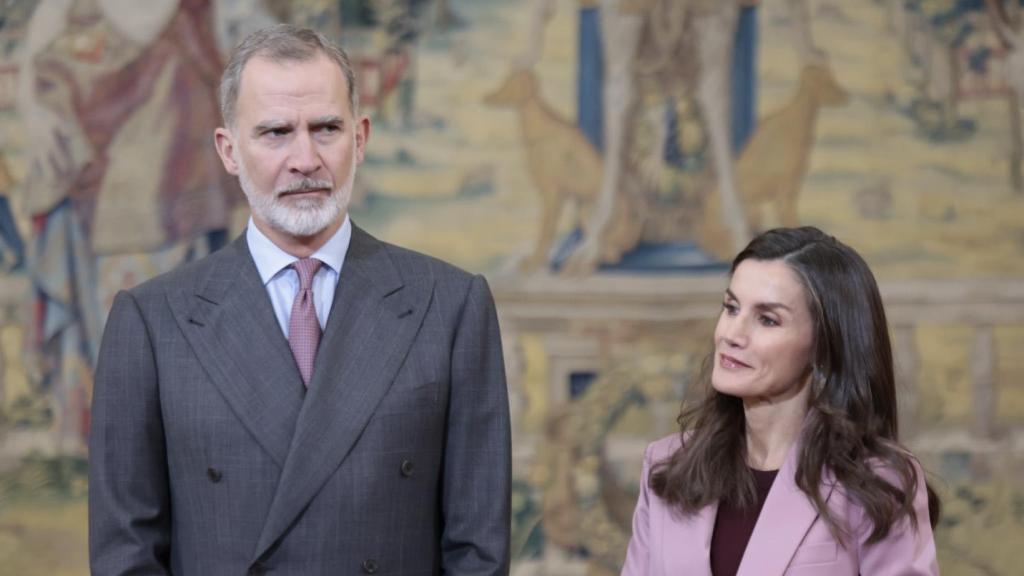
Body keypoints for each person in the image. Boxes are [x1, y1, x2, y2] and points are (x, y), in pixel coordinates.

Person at [88, 24, 511, 575]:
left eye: (326, 128)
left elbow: (478, 551)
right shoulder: (150, 322)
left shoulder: (452, 307)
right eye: (275, 132)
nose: (305, 158)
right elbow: (126, 553)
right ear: (229, 150)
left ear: (359, 138)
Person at [621, 226, 940, 576]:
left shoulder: (876, 483)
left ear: (823, 346)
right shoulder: (666, 468)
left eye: (767, 319)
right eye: (731, 308)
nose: (731, 334)